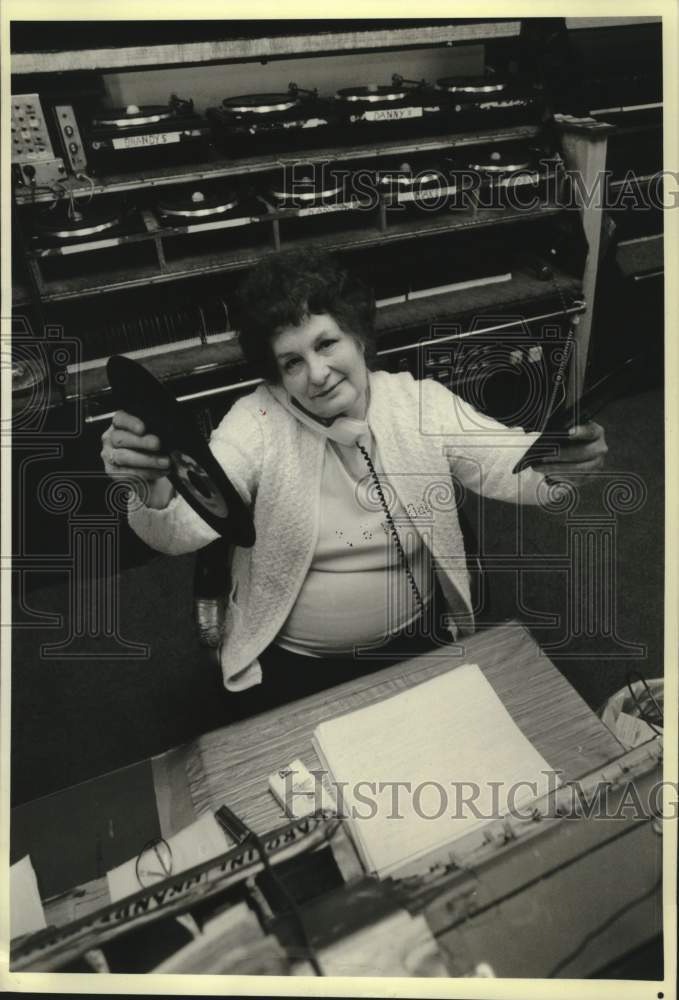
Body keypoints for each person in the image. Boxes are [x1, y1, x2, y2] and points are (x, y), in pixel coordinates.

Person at [101, 248, 607, 713]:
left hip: (418, 642)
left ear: (359, 338)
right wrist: (157, 489)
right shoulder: (253, 422)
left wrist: (561, 462)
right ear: (275, 374)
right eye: (292, 362)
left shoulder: (418, 402)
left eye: (326, 343)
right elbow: (185, 528)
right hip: (296, 667)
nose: (316, 374)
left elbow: (507, 465)